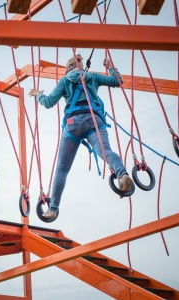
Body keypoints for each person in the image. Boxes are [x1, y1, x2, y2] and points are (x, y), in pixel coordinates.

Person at [29, 54, 133, 219]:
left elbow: (49, 102)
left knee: (62, 169)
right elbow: (117, 81)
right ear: (81, 65)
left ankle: (53, 209)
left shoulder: (64, 81)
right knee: (105, 152)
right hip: (94, 120)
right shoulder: (91, 76)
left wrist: (38, 95)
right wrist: (111, 67)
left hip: (73, 123)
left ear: (67, 68)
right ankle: (122, 174)